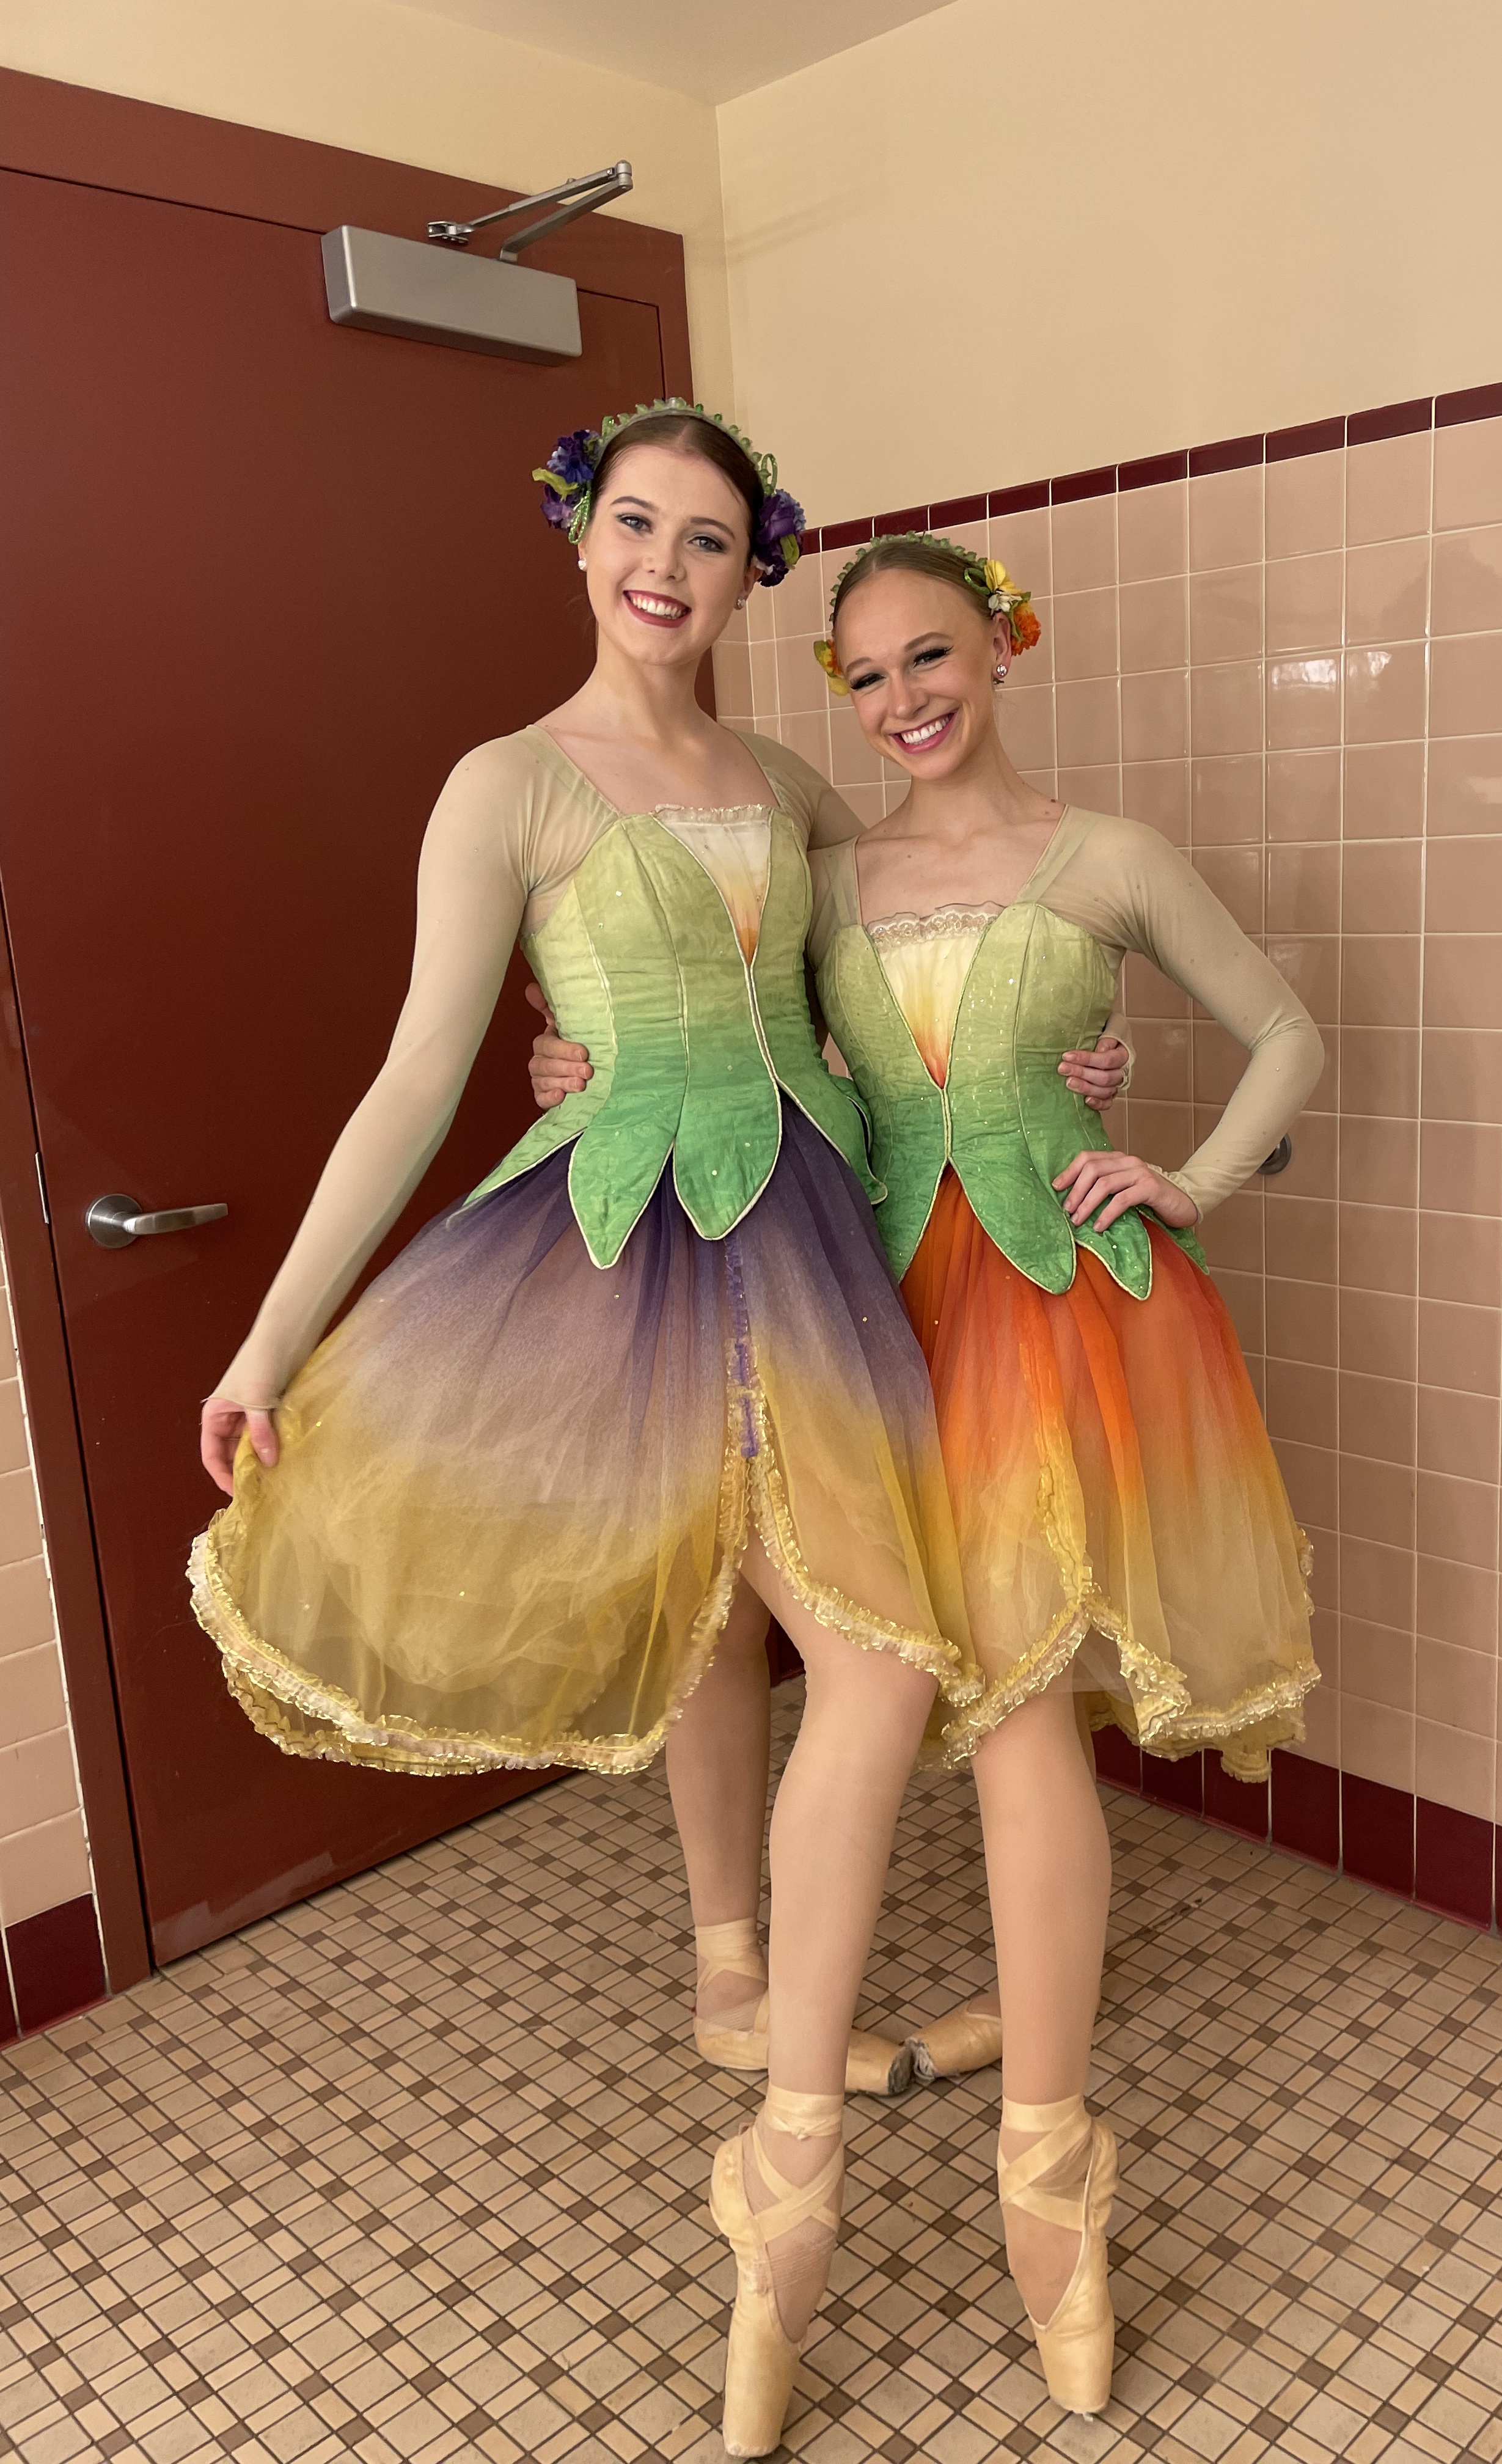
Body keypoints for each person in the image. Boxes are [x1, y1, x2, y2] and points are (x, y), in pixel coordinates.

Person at [189, 405, 1035, 2457]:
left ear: (755, 573)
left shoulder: (789, 787)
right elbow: (417, 1074)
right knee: (772, 1628)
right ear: (580, 541)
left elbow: (891, 988)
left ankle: (759, 2027)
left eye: (710, 539)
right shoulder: (506, 785)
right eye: (636, 524)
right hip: (629, 1229)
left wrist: (1058, 1050)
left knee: (812, 1634)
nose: (666, 566)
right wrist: (271, 1337)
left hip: (815, 1219)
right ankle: (752, 2025)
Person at [533, 528, 1322, 2417]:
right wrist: (589, 1061)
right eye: (869, 674)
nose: (903, 698)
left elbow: (1290, 1033)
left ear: (1001, 649)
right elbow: (726, 1021)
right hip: (865, 1312)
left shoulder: (1108, 855)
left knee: (1026, 1710)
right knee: (877, 1699)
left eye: (933, 657)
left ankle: (1046, 2179)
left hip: (1048, 1317)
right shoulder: (825, 872)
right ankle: (816, 2156)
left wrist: (1191, 1172)